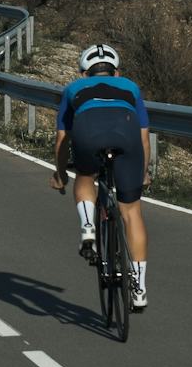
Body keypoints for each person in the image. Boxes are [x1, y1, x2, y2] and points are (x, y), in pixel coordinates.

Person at [49, 43, 152, 309]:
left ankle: (87, 227)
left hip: (88, 131)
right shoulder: (131, 88)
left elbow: (62, 138)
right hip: (127, 135)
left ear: (84, 73)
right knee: (131, 211)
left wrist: (60, 174)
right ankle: (139, 289)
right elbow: (143, 137)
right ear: (117, 72)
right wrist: (142, 173)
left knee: (85, 178)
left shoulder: (73, 89)